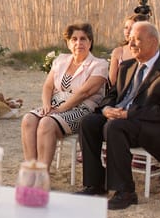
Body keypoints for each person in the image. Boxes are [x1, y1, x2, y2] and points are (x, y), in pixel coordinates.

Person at [76, 22, 160, 210]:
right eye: (130, 40)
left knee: (115, 127)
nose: (131, 44)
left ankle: (125, 192)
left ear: (153, 42)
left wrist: (129, 114)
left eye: (137, 40)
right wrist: (105, 110)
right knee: (88, 122)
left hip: (151, 125)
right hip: (121, 117)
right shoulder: (127, 66)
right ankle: (95, 184)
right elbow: (111, 95)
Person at [20, 23, 108, 168]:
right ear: (68, 43)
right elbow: (48, 86)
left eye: (83, 39)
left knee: (46, 122)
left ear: (90, 42)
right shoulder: (61, 60)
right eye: (74, 39)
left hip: (82, 109)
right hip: (56, 103)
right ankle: (31, 169)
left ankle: (43, 173)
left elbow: (84, 93)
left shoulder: (99, 65)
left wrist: (62, 109)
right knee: (28, 119)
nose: (78, 43)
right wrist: (47, 105)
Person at [108, 13, 150, 85]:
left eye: (132, 28)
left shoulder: (150, 52)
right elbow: (112, 82)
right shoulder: (118, 52)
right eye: (126, 28)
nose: (127, 31)